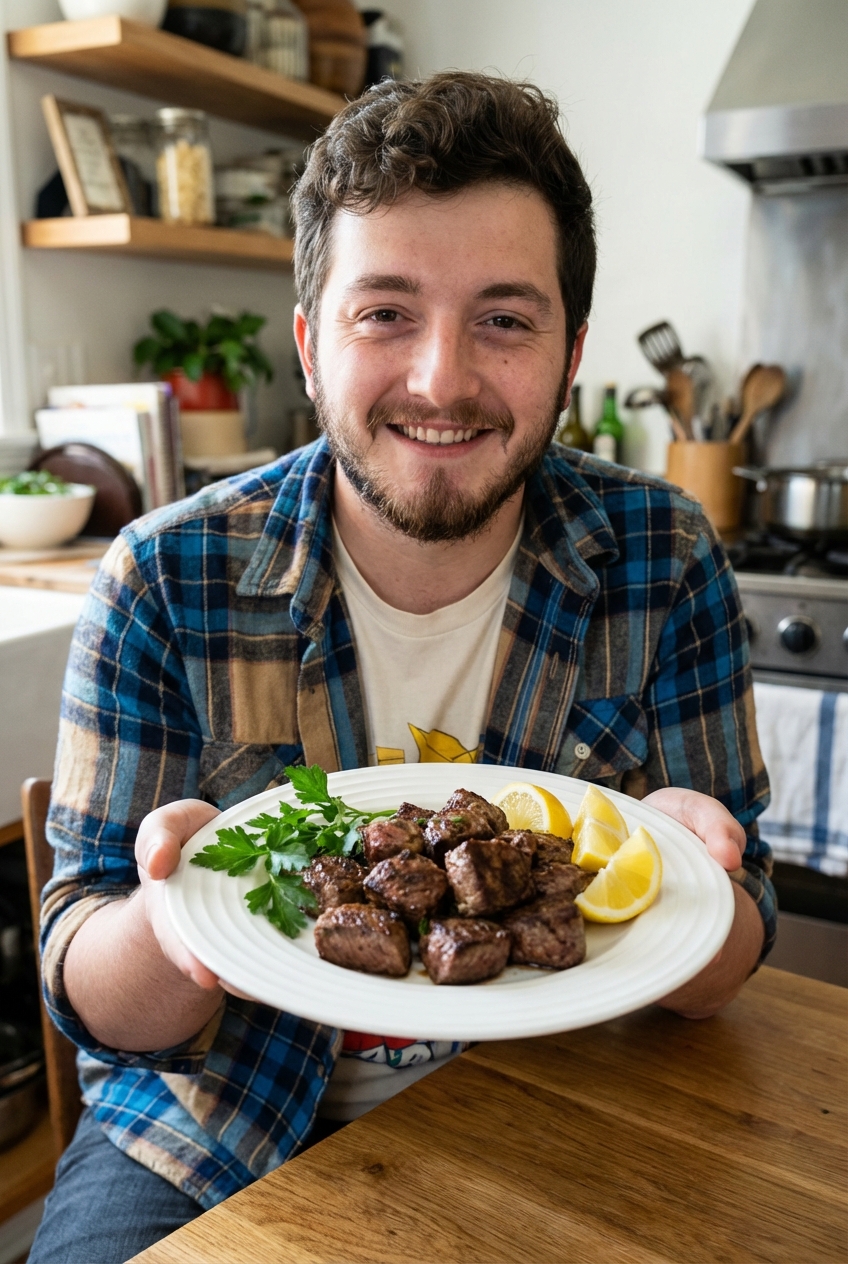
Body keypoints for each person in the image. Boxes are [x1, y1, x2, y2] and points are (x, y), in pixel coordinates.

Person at [29, 72, 775, 1264]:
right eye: (384, 312)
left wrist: (703, 882)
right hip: (205, 1129)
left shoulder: (662, 556)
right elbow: (82, 982)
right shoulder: (163, 577)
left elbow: (726, 964)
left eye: (504, 318)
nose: (440, 380)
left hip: (554, 1111)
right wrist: (172, 931)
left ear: (569, 352)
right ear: (311, 346)